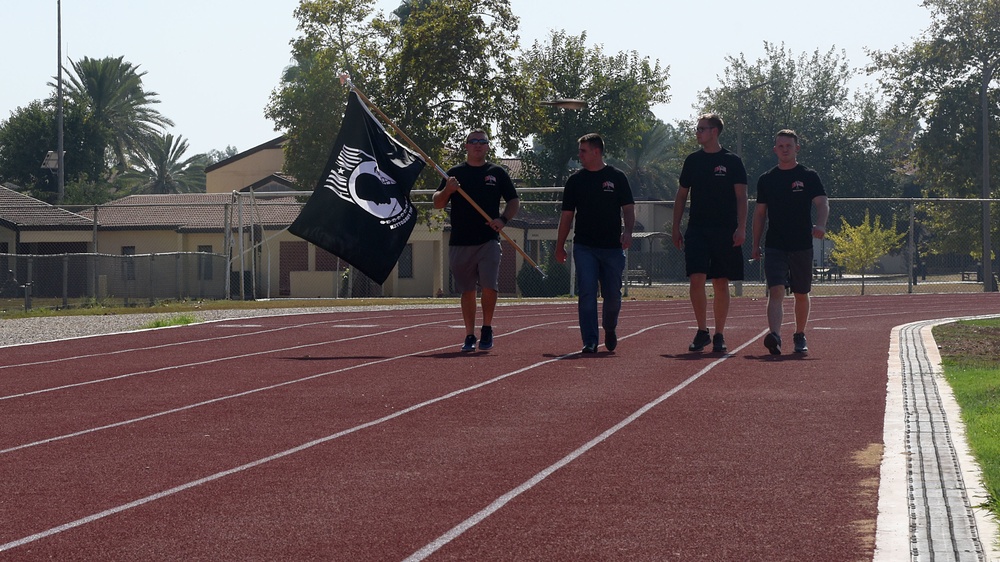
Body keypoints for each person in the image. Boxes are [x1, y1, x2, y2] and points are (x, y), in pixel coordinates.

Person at [433, 129, 520, 352]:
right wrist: (448, 190)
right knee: (467, 290)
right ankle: (470, 334)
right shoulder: (454, 173)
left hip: (488, 240)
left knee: (490, 285)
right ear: (467, 146)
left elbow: (513, 201)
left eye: (482, 141)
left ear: (488, 146)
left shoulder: (497, 172)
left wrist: (503, 219)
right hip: (460, 241)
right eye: (473, 141)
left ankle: (487, 327)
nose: (478, 145)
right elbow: (437, 202)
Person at [672, 113, 748, 353]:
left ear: (714, 131)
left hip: (725, 230)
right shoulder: (692, 161)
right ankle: (702, 331)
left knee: (720, 282)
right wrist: (676, 227)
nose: (697, 132)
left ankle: (719, 334)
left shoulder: (732, 161)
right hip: (697, 229)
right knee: (696, 278)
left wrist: (741, 227)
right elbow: (681, 195)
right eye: (697, 128)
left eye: (701, 129)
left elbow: (742, 197)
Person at [556, 133, 636, 354]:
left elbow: (628, 209)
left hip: (612, 248)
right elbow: (566, 216)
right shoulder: (575, 181)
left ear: (596, 151)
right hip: (584, 247)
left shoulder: (617, 177)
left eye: (583, 151)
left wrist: (628, 231)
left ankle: (609, 327)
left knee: (613, 296)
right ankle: (590, 341)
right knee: (587, 293)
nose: (579, 155)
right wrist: (559, 245)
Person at [751, 129, 829, 355]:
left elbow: (822, 203)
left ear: (797, 148)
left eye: (789, 146)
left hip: (801, 244)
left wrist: (821, 225)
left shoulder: (809, 176)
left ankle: (799, 334)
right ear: (775, 149)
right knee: (775, 290)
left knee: (801, 293)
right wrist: (755, 244)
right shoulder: (766, 179)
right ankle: (775, 336)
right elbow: (759, 214)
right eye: (781, 146)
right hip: (775, 244)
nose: (785, 150)